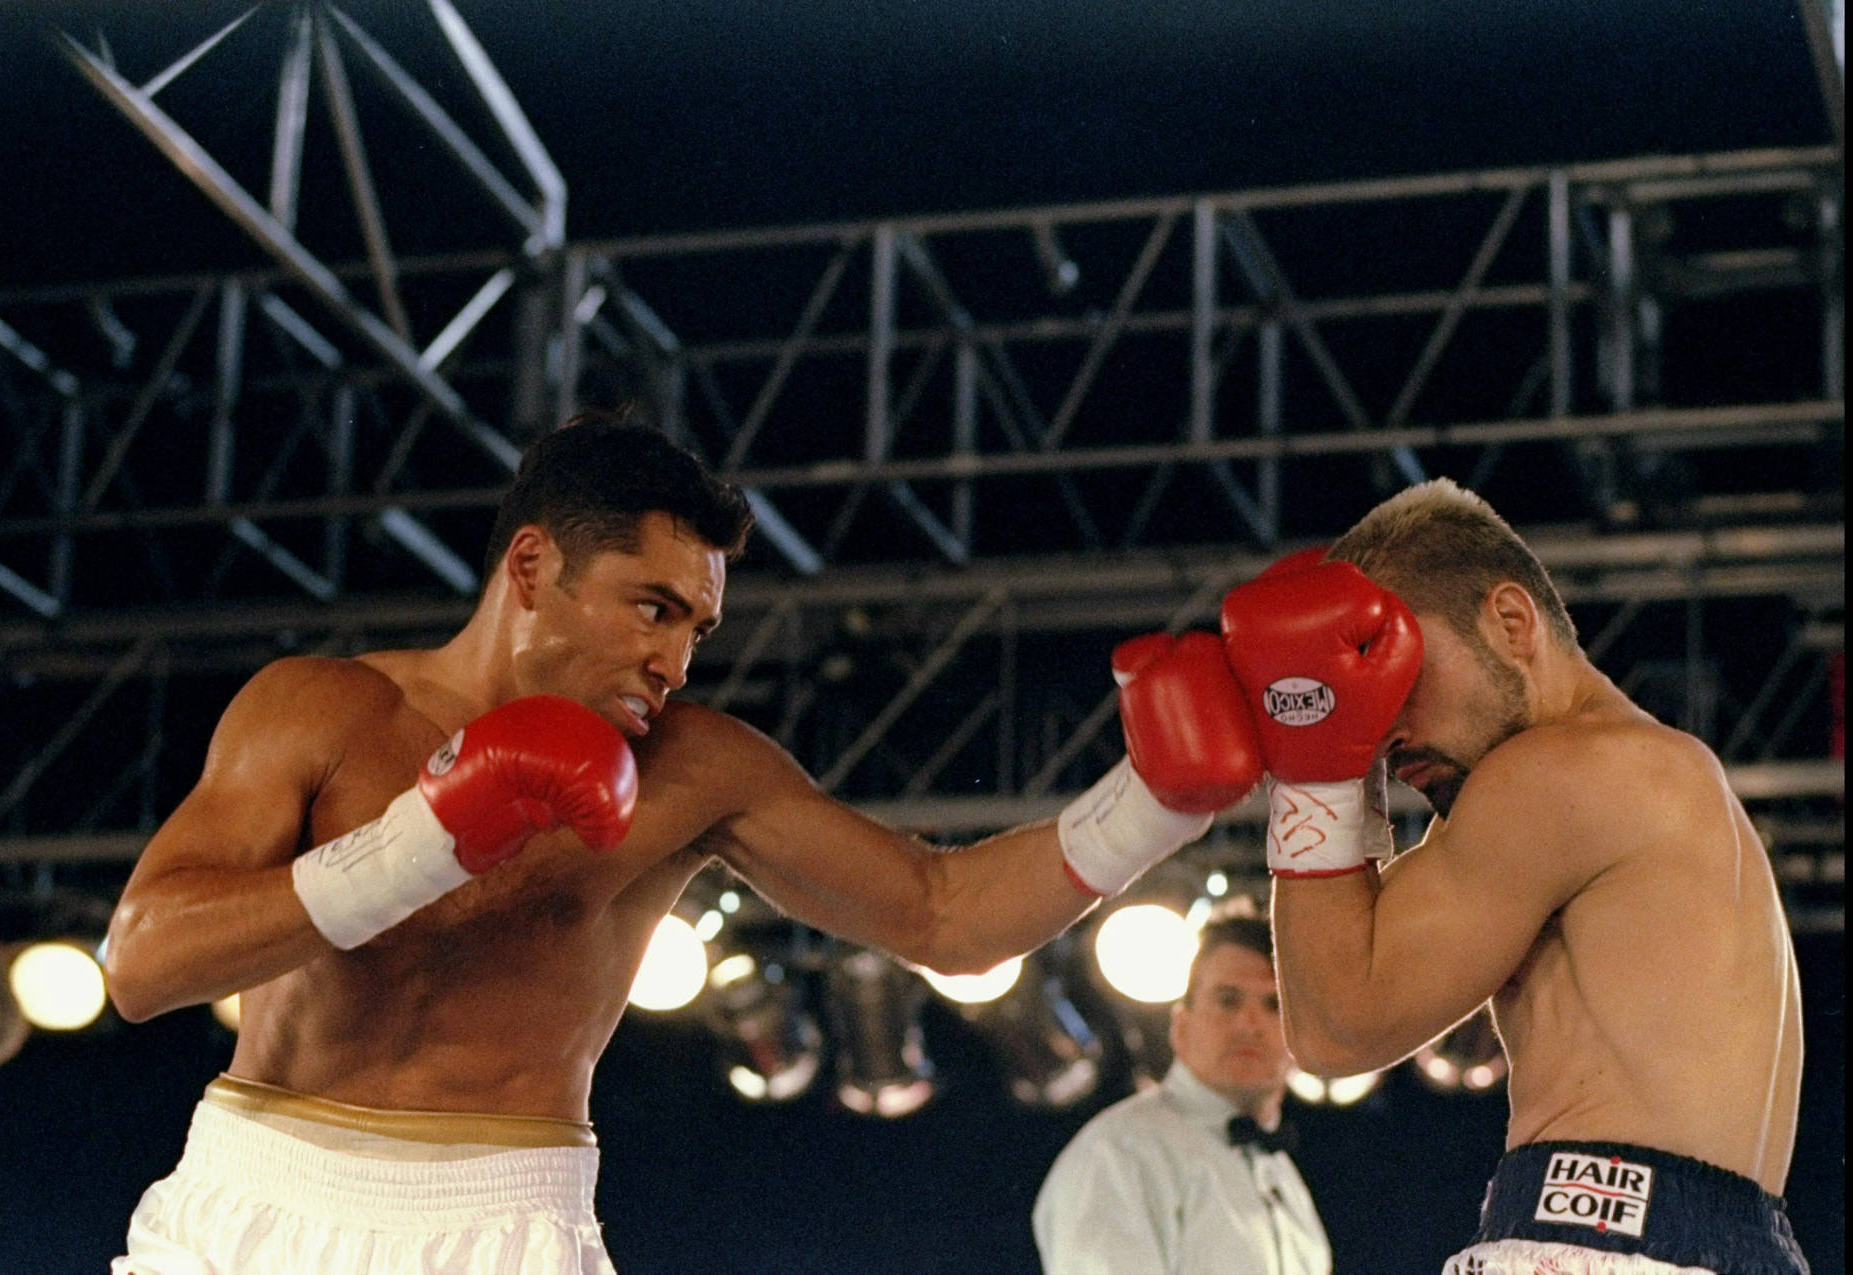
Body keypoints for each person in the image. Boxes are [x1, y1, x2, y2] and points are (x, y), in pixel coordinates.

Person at [101, 412, 1268, 1275]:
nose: (676, 662)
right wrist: (420, 840)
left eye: (698, 626)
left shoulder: (697, 769)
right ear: (531, 568)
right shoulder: (322, 711)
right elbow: (143, 966)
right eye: (650, 607)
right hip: (251, 1193)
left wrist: (1156, 800)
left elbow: (942, 914)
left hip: (504, 1222)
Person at [1215, 478, 1809, 1275]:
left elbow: (1335, 1025)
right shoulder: (1671, 778)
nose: (1380, 726)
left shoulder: (1556, 772)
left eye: (1397, 676)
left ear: (1510, 621)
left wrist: (1313, 764)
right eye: (1362, 690)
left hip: (1598, 1237)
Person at [1032, 911, 1332, 1275]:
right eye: (1228, 999)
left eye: (1274, 1006)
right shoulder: (1120, 1152)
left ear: (1299, 1039)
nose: (1250, 1024)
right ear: (1180, 1026)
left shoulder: (1285, 1177)